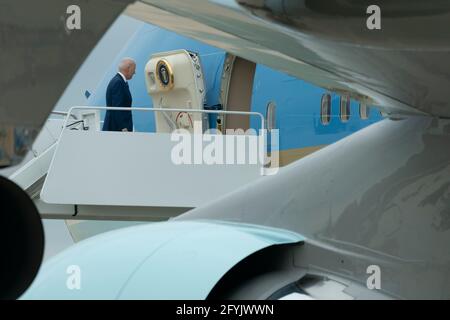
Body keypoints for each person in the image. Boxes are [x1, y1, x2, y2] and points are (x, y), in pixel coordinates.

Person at [102, 58, 136, 132]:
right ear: (128, 68)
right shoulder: (118, 82)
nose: (134, 72)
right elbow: (117, 107)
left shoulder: (119, 81)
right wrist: (123, 127)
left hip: (116, 127)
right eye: (134, 69)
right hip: (116, 128)